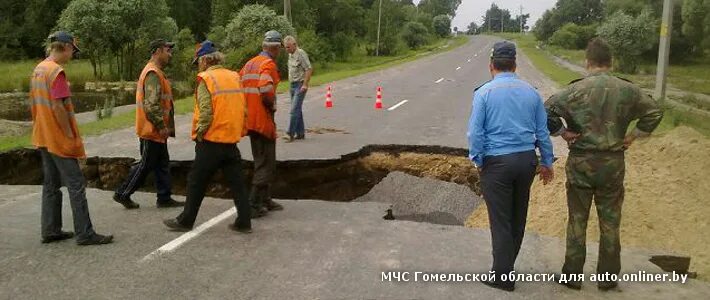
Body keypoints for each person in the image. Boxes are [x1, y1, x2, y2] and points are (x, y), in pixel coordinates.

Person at [546, 38, 663, 291]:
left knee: (577, 220)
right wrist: (632, 136)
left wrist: (563, 133)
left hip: (581, 164)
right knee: (610, 222)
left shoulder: (574, 91)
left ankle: (572, 276)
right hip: (612, 165)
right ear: (611, 62)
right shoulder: (628, 90)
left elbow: (545, 111)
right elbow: (654, 112)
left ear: (587, 62)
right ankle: (608, 279)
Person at [467, 41, 554, 292]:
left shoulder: (483, 93)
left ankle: (502, 276)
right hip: (526, 161)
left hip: (497, 163)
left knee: (501, 221)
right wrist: (547, 162)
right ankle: (506, 268)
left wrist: (478, 159)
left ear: (491, 66)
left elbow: (475, 133)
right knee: (517, 217)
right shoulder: (532, 92)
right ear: (515, 65)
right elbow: (542, 132)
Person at [30, 31, 113, 245]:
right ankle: (85, 233)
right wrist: (68, 134)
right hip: (58, 137)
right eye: (73, 51)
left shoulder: (39, 69)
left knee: (51, 184)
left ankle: (50, 229)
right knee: (76, 183)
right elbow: (58, 107)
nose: (73, 55)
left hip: (43, 134)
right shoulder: (56, 72)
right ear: (65, 47)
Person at [163, 41, 252, 233]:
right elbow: (243, 109)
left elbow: (205, 112)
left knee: (196, 181)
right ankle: (245, 221)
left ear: (204, 60)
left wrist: (200, 133)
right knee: (237, 183)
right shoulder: (234, 76)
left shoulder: (206, 79)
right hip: (230, 140)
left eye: (198, 62)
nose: (198, 66)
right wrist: (241, 130)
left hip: (211, 140)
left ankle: (186, 221)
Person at [113, 39, 183, 209]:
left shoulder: (156, 72)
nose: (170, 54)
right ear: (158, 51)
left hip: (156, 130)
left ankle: (164, 197)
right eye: (168, 50)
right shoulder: (152, 73)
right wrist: (161, 126)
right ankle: (123, 193)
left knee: (162, 164)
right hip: (151, 130)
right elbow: (151, 105)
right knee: (145, 165)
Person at [240, 30, 284, 218]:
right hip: (262, 119)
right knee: (266, 163)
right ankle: (253, 203)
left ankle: (265, 199)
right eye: (279, 49)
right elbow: (266, 89)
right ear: (274, 48)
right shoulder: (268, 65)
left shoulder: (249, 64)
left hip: (249, 119)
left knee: (260, 159)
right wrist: (271, 104)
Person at [283, 35, 313, 142]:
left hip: (300, 84)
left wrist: (305, 84)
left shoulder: (301, 53)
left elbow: (308, 69)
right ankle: (300, 133)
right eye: (286, 47)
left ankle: (290, 133)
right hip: (292, 85)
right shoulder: (290, 55)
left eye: (288, 47)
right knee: (297, 109)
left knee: (294, 109)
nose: (287, 49)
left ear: (294, 45)